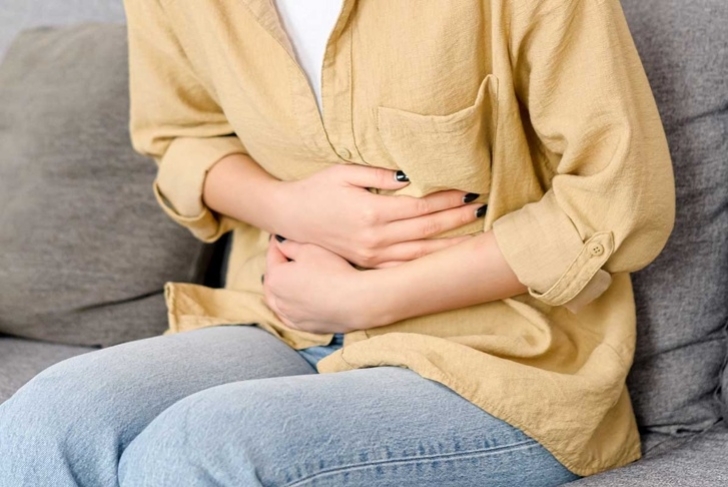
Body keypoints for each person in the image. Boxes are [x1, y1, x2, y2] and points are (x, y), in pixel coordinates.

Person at [0, 0, 676, 485]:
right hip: (287, 321)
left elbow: (618, 200)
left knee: (192, 453)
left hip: (502, 357)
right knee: (42, 422)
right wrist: (288, 205)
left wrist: (365, 298)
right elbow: (179, 137)